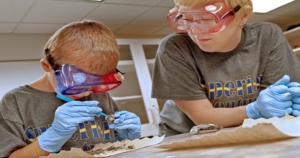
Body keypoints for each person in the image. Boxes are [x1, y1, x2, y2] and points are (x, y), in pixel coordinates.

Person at [151, 0, 300, 136]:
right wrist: (253, 111)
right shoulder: (175, 48)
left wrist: (285, 103)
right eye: (186, 19)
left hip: (250, 129)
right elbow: (203, 117)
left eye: (208, 19)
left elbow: (279, 105)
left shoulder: (267, 36)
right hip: (185, 135)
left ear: (243, 16)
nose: (195, 31)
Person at [0, 19, 141, 158]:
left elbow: (112, 144)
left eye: (94, 85)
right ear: (47, 66)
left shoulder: (100, 96)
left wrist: (124, 139)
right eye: (79, 85)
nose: (87, 93)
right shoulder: (15, 102)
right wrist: (52, 138)